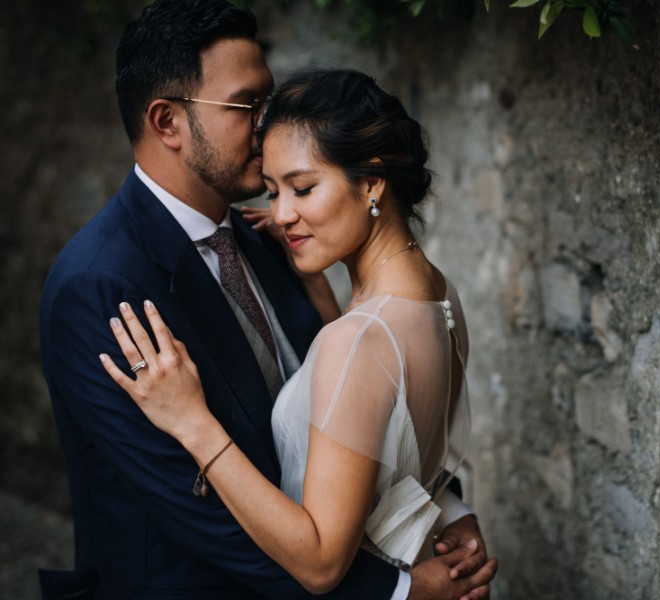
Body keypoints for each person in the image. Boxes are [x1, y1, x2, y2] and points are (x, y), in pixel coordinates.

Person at [38, 0, 494, 598]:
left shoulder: (277, 238)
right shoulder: (99, 285)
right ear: (167, 122)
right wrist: (399, 591)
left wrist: (446, 511)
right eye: (247, 106)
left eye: (268, 102)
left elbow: (366, 419)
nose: (266, 126)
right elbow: (199, 511)